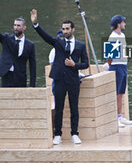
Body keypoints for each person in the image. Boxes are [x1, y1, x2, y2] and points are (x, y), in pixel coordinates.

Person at [30, 9, 89, 145]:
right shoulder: (58, 42)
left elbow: (85, 64)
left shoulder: (80, 45)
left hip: (73, 80)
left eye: (67, 29)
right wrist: (35, 24)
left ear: (73, 30)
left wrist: (75, 65)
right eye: (63, 29)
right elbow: (46, 37)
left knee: (74, 108)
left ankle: (75, 133)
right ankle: (57, 134)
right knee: (59, 108)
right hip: (59, 79)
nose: (65, 31)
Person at [0, 4, 36, 87]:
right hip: (6, 76)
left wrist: (32, 86)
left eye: (18, 25)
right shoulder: (7, 39)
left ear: (24, 28)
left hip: (21, 78)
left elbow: (32, 66)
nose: (15, 28)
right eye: (14, 25)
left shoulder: (30, 45)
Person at [107, 14, 132, 127]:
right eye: (123, 22)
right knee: (116, 92)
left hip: (123, 65)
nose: (125, 24)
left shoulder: (122, 35)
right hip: (117, 66)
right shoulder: (113, 37)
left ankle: (119, 116)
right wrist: (111, 66)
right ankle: (115, 119)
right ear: (118, 24)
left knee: (121, 93)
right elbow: (109, 56)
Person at [49, 29, 64, 96]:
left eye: (63, 37)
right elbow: (52, 66)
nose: (62, 39)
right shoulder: (53, 51)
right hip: (58, 77)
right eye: (60, 37)